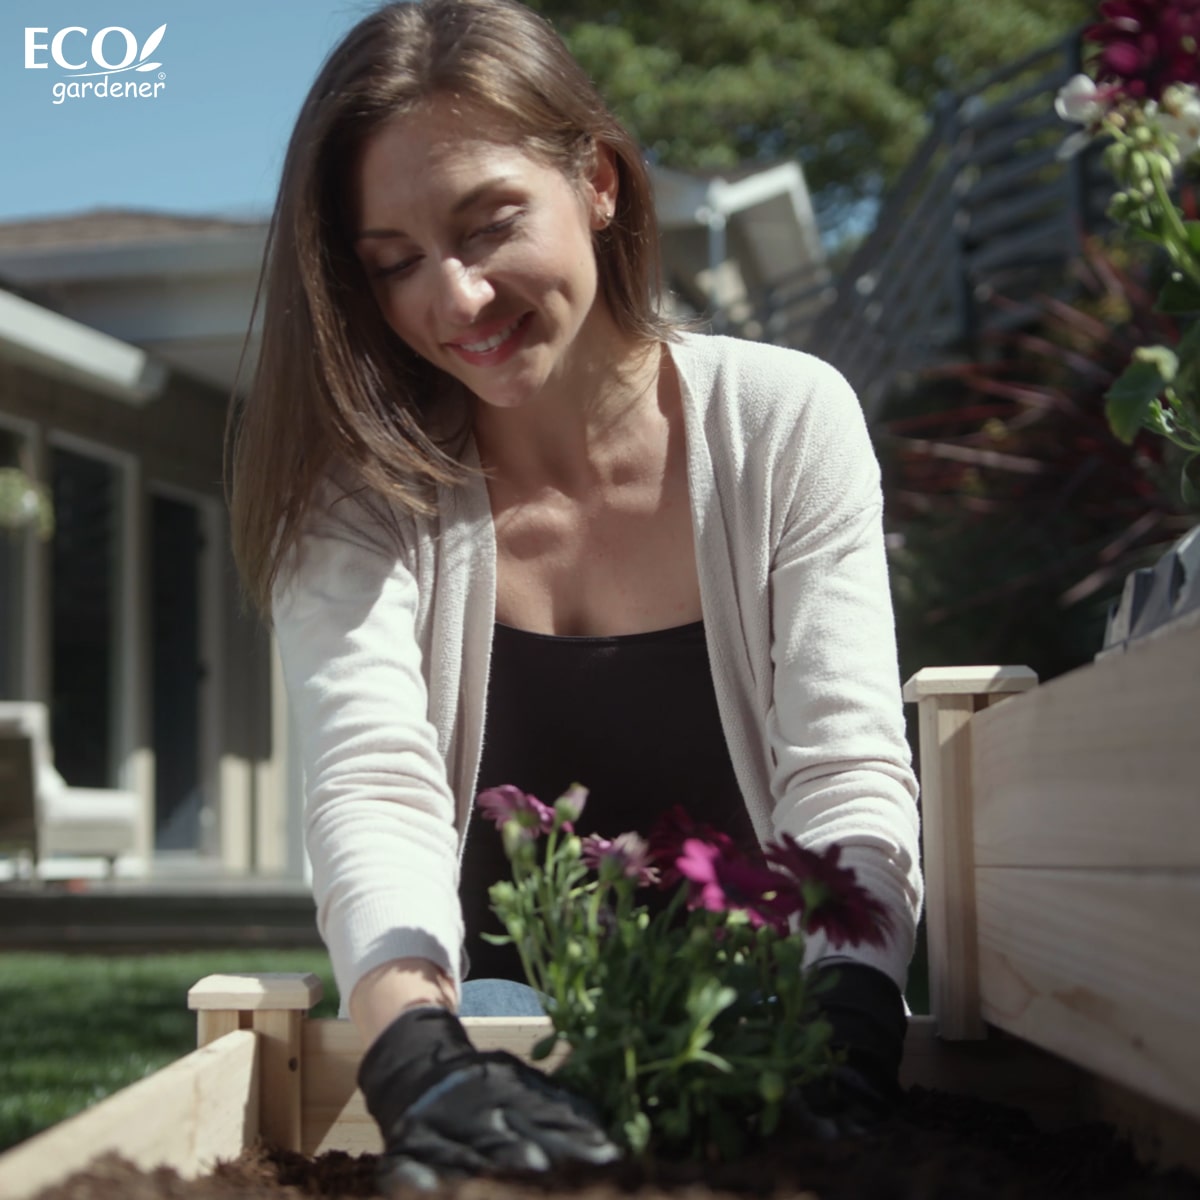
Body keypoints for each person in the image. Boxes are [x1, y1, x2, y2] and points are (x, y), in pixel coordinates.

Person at [226, 0, 923, 1186]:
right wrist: (417, 1060)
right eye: (393, 263)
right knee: (500, 1020)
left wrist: (845, 1031)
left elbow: (843, 767)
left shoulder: (783, 421)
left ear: (597, 180)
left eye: (489, 226)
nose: (450, 302)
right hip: (493, 1015)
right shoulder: (363, 490)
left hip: (771, 993)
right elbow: (374, 786)